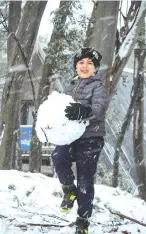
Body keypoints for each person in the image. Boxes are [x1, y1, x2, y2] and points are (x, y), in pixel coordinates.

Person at [51, 47, 109, 234]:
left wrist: (86, 111)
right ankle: (69, 189)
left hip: (91, 137)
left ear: (95, 68)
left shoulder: (98, 87)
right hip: (71, 135)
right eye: (81, 62)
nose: (85, 66)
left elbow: (100, 107)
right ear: (76, 66)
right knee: (58, 157)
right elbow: (61, 109)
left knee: (85, 178)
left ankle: (83, 219)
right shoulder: (70, 86)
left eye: (90, 63)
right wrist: (47, 118)